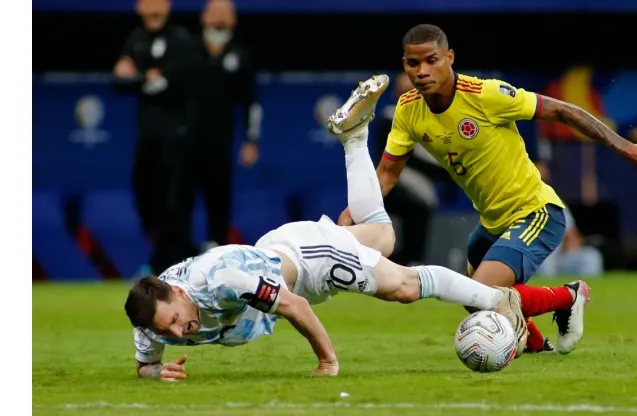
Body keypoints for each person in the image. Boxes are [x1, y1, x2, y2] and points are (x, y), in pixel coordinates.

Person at [124, 76, 530, 381]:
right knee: (382, 237)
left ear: (179, 292)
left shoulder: (221, 279)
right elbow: (145, 363)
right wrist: (156, 373)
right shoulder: (153, 315)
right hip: (279, 250)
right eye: (169, 329)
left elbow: (295, 307)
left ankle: (496, 299)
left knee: (403, 287)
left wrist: (327, 361)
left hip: (307, 264)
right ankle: (354, 138)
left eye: (176, 319)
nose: (181, 330)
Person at [336, 24, 637, 354]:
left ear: (450, 58)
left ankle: (568, 296)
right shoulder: (409, 110)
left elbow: (563, 110)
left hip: (536, 212)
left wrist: (625, 147)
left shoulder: (487, 95)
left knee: (480, 291)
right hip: (492, 223)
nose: (422, 70)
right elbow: (387, 175)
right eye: (414, 63)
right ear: (404, 66)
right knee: (474, 301)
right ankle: (536, 346)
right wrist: (356, 209)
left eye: (432, 60)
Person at [113, 0, 200, 274]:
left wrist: (139, 76)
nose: (153, 10)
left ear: (167, 6)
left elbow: (173, 81)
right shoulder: (135, 39)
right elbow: (118, 80)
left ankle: (171, 265)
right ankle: (178, 256)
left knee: (174, 202)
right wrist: (144, 77)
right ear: (139, 7)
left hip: (177, 136)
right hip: (147, 136)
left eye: (158, 4)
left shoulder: (181, 40)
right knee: (146, 196)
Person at [195, 0, 263, 250]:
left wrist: (251, 140)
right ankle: (173, 261)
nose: (220, 20)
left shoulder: (240, 55)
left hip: (219, 145)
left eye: (226, 14)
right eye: (215, 13)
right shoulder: (188, 51)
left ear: (234, 21)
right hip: (183, 144)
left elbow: (251, 103)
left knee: (219, 203)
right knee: (176, 204)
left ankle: (216, 257)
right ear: (204, 18)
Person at [372, 73, 447, 266]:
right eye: (403, 91)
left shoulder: (434, 117)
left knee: (421, 203)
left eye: (412, 91)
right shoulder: (390, 116)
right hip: (394, 179)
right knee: (415, 205)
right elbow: (398, 157)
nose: (408, 95)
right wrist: (441, 171)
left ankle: (413, 259)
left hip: (425, 182)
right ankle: (404, 260)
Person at [537, 205, 604, 278]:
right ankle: (547, 288)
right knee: (545, 262)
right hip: (535, 259)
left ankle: (585, 287)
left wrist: (572, 244)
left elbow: (572, 235)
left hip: (559, 257)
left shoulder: (556, 206)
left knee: (591, 256)